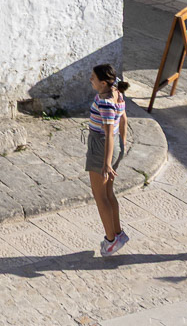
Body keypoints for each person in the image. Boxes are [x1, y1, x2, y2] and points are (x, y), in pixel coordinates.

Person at [86, 62, 131, 256]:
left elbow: (107, 132)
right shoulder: (117, 93)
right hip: (115, 146)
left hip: (102, 148)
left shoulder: (104, 102)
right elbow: (124, 120)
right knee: (109, 193)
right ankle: (118, 232)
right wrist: (123, 143)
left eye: (93, 78)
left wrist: (106, 162)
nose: (90, 80)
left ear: (103, 82)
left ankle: (111, 240)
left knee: (100, 196)